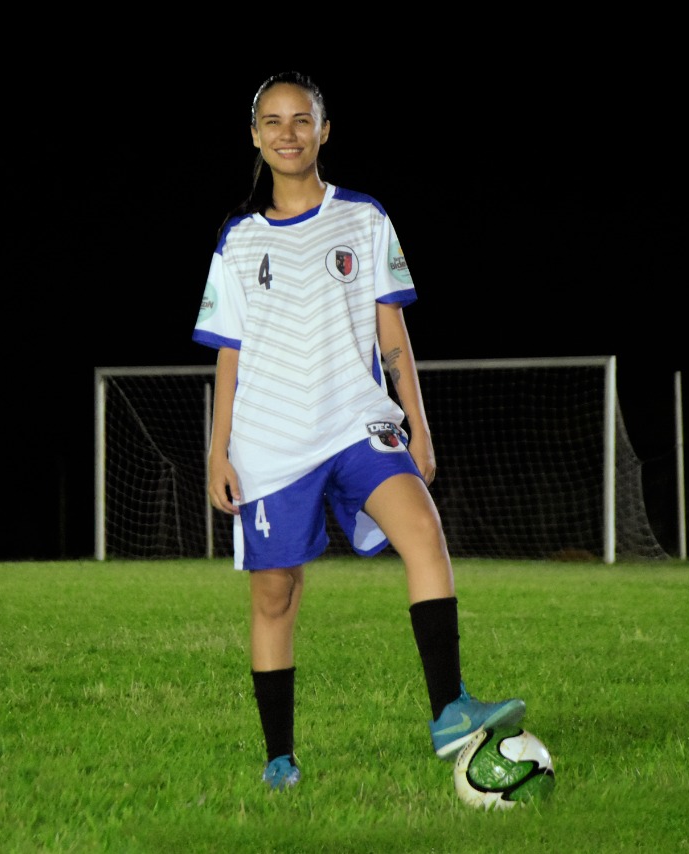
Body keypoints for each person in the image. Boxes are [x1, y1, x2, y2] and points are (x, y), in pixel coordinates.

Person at [192, 71, 524, 792]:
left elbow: (391, 329)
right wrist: (218, 450)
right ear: (255, 137)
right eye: (273, 122)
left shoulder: (365, 219)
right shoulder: (239, 239)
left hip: (357, 422)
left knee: (425, 533)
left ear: (324, 130)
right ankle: (279, 757)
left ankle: (450, 709)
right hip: (271, 443)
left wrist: (421, 429)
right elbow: (228, 352)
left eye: (301, 120)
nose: (288, 133)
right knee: (276, 596)